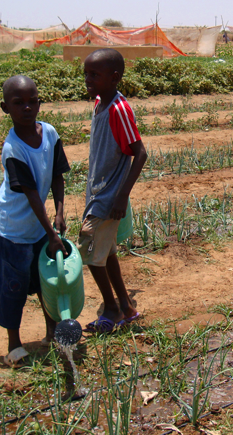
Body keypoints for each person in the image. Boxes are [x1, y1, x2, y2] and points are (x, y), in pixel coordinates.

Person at [0, 75, 70, 367]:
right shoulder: (13, 148)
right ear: (5, 108)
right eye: (18, 103)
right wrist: (52, 233)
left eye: (32, 101)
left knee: (46, 281)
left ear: (40, 103)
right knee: (14, 286)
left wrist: (59, 211)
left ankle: (51, 331)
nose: (27, 107)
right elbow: (32, 194)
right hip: (13, 229)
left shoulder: (50, 134)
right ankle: (13, 344)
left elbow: (57, 174)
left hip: (40, 225)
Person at [78, 48, 147, 333]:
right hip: (98, 191)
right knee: (106, 254)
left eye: (94, 74)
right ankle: (127, 308)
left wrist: (121, 196)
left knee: (88, 246)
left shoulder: (119, 110)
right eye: (86, 74)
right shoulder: (99, 103)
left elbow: (139, 153)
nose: (88, 79)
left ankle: (111, 309)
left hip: (108, 196)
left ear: (114, 77)